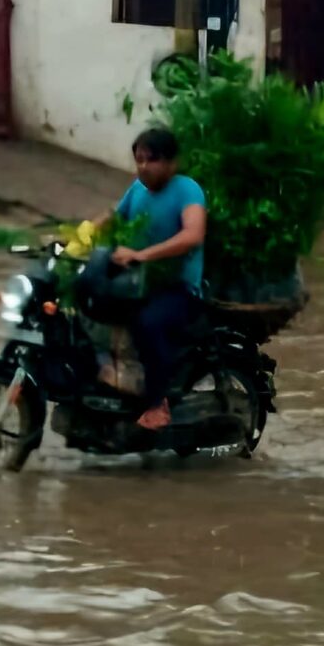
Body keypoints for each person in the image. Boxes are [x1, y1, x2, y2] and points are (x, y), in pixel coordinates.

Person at [101, 127, 207, 432]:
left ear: (172, 162)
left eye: (152, 160)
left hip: (179, 288)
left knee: (148, 322)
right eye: (139, 160)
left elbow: (193, 234)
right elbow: (113, 218)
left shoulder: (187, 190)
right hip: (137, 283)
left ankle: (157, 402)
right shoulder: (137, 190)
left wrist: (143, 255)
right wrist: (80, 236)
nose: (144, 166)